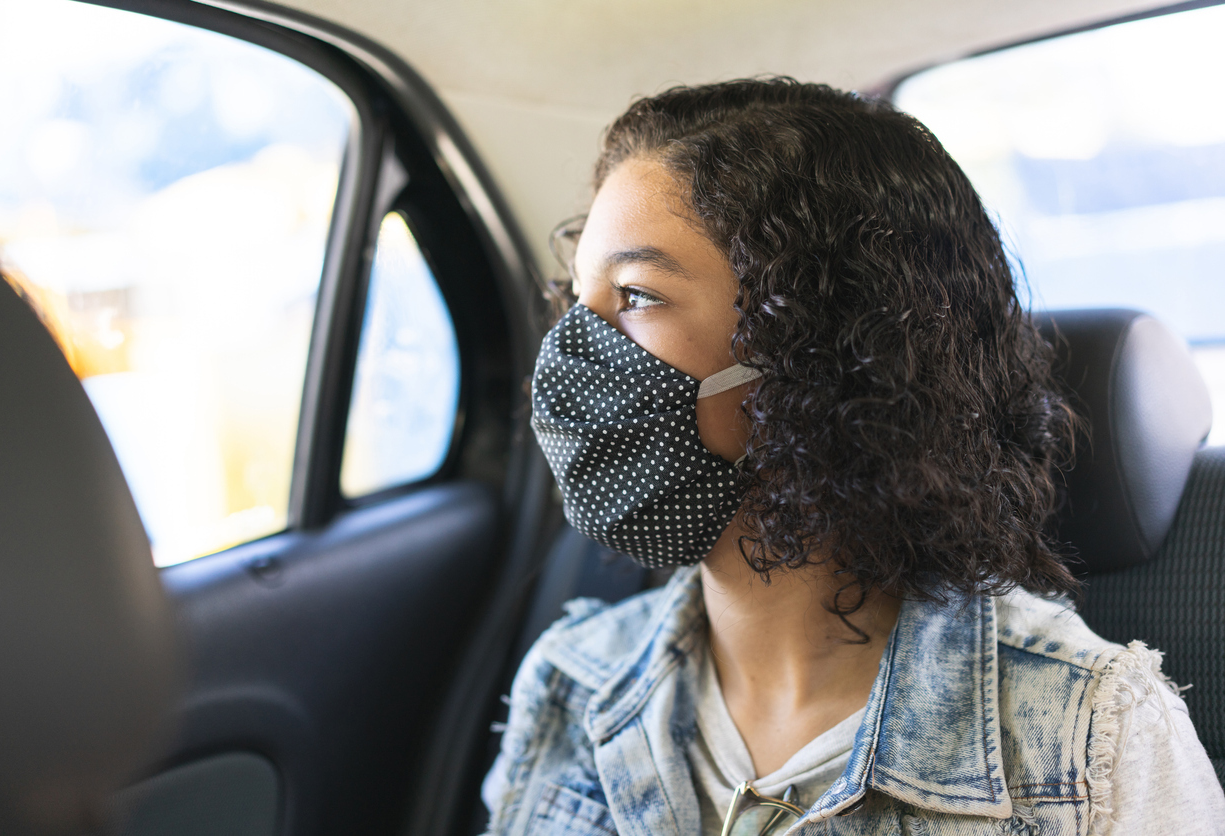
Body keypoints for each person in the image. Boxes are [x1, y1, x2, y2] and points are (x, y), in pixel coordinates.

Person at [482, 79, 1224, 835]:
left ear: (819, 342)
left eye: (636, 295)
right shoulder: (570, 678)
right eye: (578, 300)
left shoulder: (1083, 732)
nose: (570, 350)